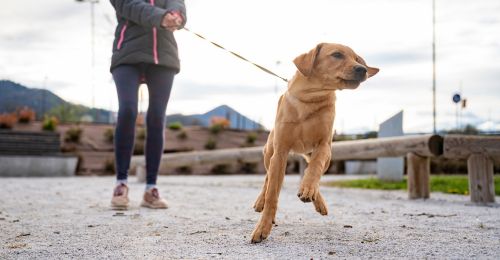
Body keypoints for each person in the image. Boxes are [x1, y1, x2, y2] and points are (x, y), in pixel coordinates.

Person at [109, 0, 186, 209]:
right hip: (127, 53)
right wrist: (161, 17)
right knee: (128, 110)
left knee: (157, 117)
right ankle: (121, 183)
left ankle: (151, 188)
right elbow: (128, 5)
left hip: (164, 56)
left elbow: (178, 5)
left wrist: (176, 15)